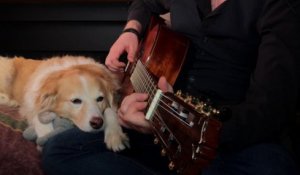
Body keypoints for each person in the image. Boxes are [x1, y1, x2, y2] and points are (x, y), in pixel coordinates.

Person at [42, 0, 300, 175]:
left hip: (227, 137)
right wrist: (131, 30)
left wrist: (175, 121)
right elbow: (144, 2)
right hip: (160, 122)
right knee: (61, 151)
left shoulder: (279, 6)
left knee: (273, 168)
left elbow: (269, 109)